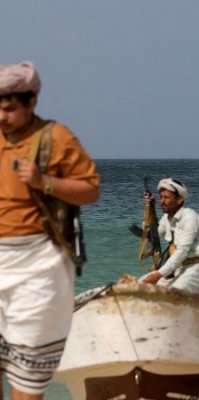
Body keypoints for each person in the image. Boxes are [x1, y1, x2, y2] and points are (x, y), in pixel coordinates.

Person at [0, 61, 99, 399]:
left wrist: (44, 182)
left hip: (38, 267)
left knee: (27, 377)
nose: (2, 118)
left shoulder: (55, 138)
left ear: (31, 103)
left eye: (10, 109)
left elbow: (90, 190)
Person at [141, 178, 199, 291]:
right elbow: (152, 236)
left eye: (166, 197)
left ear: (179, 200)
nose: (162, 201)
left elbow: (182, 251)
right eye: (161, 197)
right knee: (139, 285)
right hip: (176, 269)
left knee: (172, 293)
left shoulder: (190, 217)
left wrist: (158, 274)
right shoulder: (167, 218)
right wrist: (149, 209)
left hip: (197, 269)